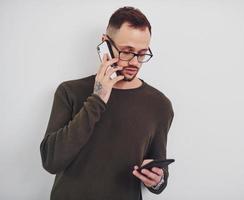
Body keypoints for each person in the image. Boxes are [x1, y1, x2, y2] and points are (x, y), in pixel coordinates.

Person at [40, 6, 174, 200]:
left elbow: (158, 170)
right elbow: (51, 161)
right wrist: (98, 98)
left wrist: (157, 180)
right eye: (127, 51)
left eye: (142, 53)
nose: (135, 62)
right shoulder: (70, 92)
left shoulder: (159, 104)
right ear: (105, 44)